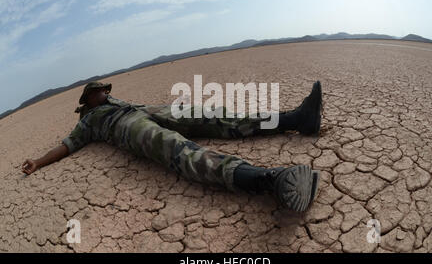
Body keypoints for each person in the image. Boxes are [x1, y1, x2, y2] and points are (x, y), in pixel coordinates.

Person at [22, 80, 323, 212]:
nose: (104, 91)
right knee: (175, 148)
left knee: (212, 116)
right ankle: (267, 180)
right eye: (98, 90)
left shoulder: (116, 100)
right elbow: (67, 145)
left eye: (104, 89)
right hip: (129, 128)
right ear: (87, 100)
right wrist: (38, 161)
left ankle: (297, 119)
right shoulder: (88, 121)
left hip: (149, 110)